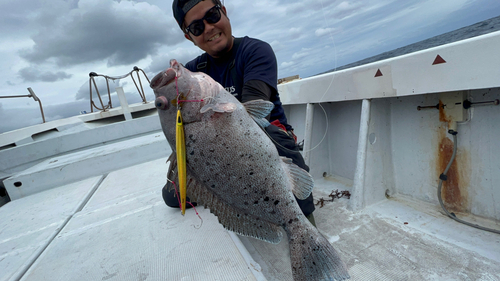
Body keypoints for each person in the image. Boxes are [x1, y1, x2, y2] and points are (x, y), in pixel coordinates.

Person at [163, 0, 316, 225]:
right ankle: (232, 199)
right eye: (197, 27)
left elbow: (253, 111)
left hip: (266, 139)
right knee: (172, 194)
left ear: (224, 12)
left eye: (212, 16)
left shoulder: (254, 51)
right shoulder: (193, 72)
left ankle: (303, 225)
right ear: (190, 37)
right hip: (219, 148)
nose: (208, 28)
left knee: (272, 137)